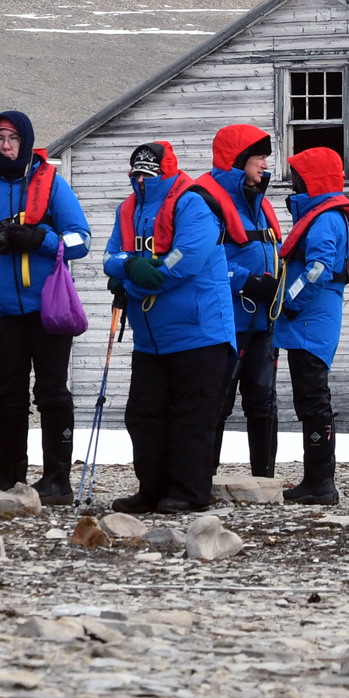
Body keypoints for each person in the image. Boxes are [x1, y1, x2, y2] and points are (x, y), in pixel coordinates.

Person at [101, 141, 235, 514]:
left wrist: (132, 280)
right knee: (143, 414)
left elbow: (183, 261)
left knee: (192, 415)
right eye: (137, 173)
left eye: (149, 172)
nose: (142, 179)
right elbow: (110, 256)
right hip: (150, 338)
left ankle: (190, 492)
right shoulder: (128, 209)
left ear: (165, 171)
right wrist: (129, 266)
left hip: (199, 332)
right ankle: (152, 489)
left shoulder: (193, 203)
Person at [0, 111, 91, 501]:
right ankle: (11, 477)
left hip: (47, 307)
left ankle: (57, 479)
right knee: (8, 396)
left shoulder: (51, 183)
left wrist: (41, 239)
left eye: (13, 138)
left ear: (26, 141)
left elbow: (82, 240)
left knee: (52, 392)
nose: (6, 145)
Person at [276, 147, 349, 504]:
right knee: (311, 399)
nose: (293, 183)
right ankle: (317, 479)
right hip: (312, 320)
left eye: (298, 177)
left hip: (310, 321)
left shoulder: (324, 219)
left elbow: (318, 270)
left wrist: (289, 301)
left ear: (313, 180)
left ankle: (320, 482)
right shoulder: (326, 215)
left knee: (313, 400)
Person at [207, 125, 286, 479]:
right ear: (239, 161)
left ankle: (263, 479)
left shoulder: (260, 205)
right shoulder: (208, 202)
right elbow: (204, 258)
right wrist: (246, 280)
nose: (266, 165)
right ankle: (202, 478)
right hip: (224, 325)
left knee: (263, 402)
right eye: (259, 158)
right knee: (216, 402)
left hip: (263, 323)